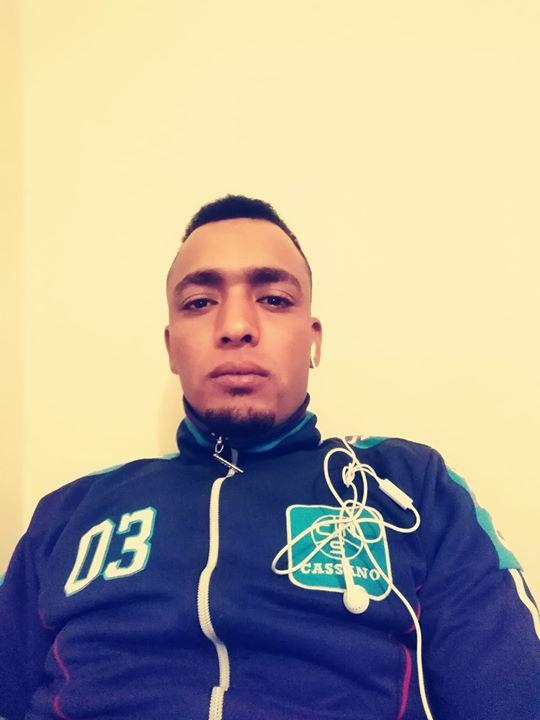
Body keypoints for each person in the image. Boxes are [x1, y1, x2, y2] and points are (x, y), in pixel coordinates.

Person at [1, 195, 538, 720]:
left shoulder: (412, 488)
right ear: (171, 348)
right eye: (199, 303)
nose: (236, 326)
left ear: (313, 340)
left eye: (275, 299)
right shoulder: (69, 512)